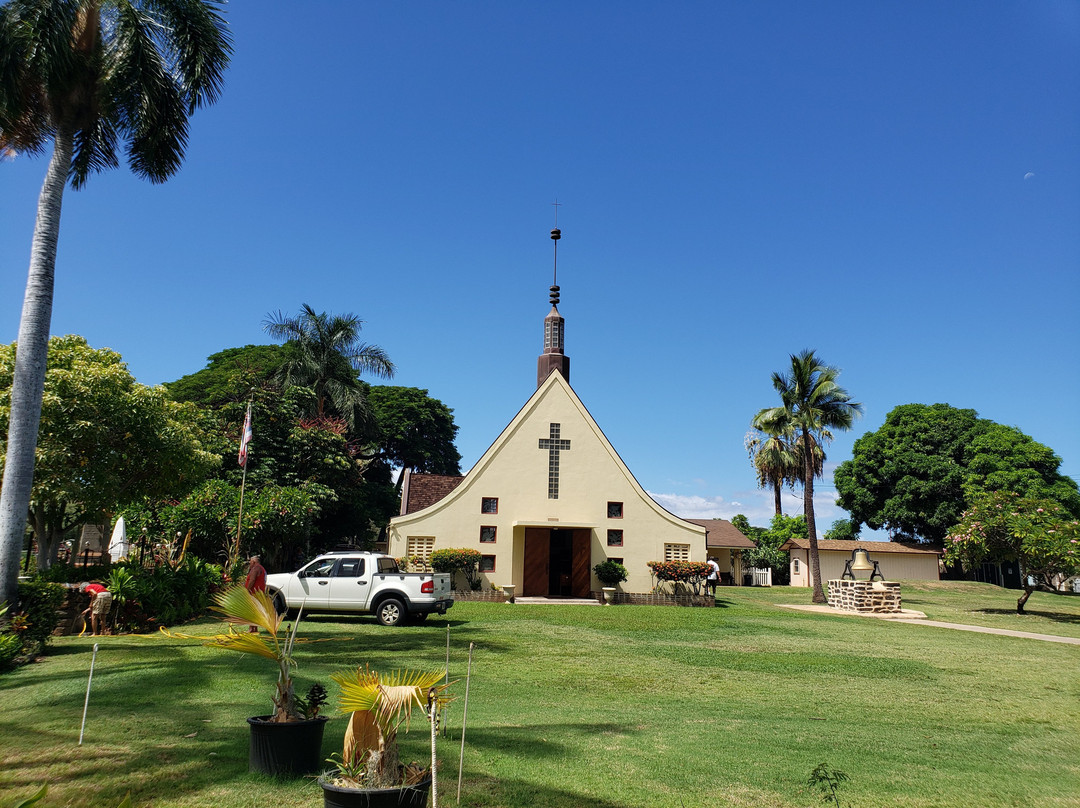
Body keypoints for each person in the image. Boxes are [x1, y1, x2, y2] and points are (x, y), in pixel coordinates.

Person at [244, 555, 267, 632]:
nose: (249, 563)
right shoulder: (262, 568)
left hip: (254, 593)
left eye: (250, 562)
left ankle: (251, 628)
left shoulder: (256, 568)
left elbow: (252, 580)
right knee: (255, 611)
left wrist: (246, 590)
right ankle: (254, 628)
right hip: (259, 593)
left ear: (253, 562)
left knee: (252, 611)